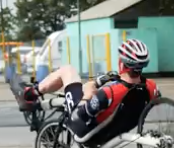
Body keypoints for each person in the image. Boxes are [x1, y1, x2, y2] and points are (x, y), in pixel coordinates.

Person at [17, 39, 160, 139]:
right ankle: (38, 93)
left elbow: (83, 114)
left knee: (68, 71)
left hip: (85, 127)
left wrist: (90, 89)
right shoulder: (151, 87)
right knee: (79, 83)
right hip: (118, 127)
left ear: (122, 63)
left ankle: (30, 93)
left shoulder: (109, 93)